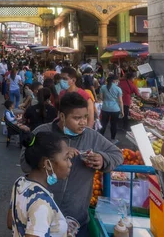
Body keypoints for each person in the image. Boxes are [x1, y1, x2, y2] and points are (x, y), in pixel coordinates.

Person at [20, 92, 123, 236]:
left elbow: (117, 154)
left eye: (85, 117)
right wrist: (57, 154)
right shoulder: (43, 133)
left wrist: (102, 159)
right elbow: (25, 164)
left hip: (77, 220)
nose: (83, 122)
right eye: (77, 118)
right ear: (62, 116)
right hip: (42, 218)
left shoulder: (92, 137)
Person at [7, 132, 72, 237]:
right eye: (66, 158)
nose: (70, 164)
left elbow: (11, 223)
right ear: (47, 164)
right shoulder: (42, 203)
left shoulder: (20, 183)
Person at [99, 76, 124, 143]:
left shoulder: (103, 87)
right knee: (114, 124)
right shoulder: (118, 89)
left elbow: (101, 98)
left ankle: (100, 138)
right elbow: (120, 101)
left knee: (103, 124)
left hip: (105, 108)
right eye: (117, 81)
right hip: (115, 109)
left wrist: (106, 100)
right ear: (114, 81)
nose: (118, 82)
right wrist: (122, 111)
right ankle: (113, 139)